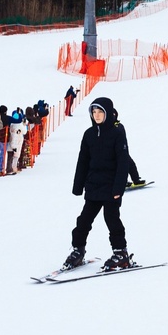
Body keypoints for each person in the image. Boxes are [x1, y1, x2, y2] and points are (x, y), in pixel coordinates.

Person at [61, 97, 134, 272]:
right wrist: (78, 186)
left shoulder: (117, 132)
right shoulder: (89, 134)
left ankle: (120, 253)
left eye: (100, 112)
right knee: (84, 220)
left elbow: (123, 161)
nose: (97, 115)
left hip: (111, 186)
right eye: (94, 112)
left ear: (108, 113)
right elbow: (83, 161)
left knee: (111, 219)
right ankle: (78, 251)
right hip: (94, 185)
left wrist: (119, 187)